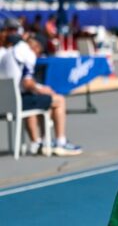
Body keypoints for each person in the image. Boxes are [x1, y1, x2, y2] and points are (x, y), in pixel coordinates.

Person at [3, 21, 82, 156]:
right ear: (37, 47)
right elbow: (28, 83)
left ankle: (39, 142)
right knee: (58, 100)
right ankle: (60, 142)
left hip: (4, 102)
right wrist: (43, 89)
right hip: (18, 102)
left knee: (40, 100)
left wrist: (39, 89)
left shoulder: (8, 52)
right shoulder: (28, 54)